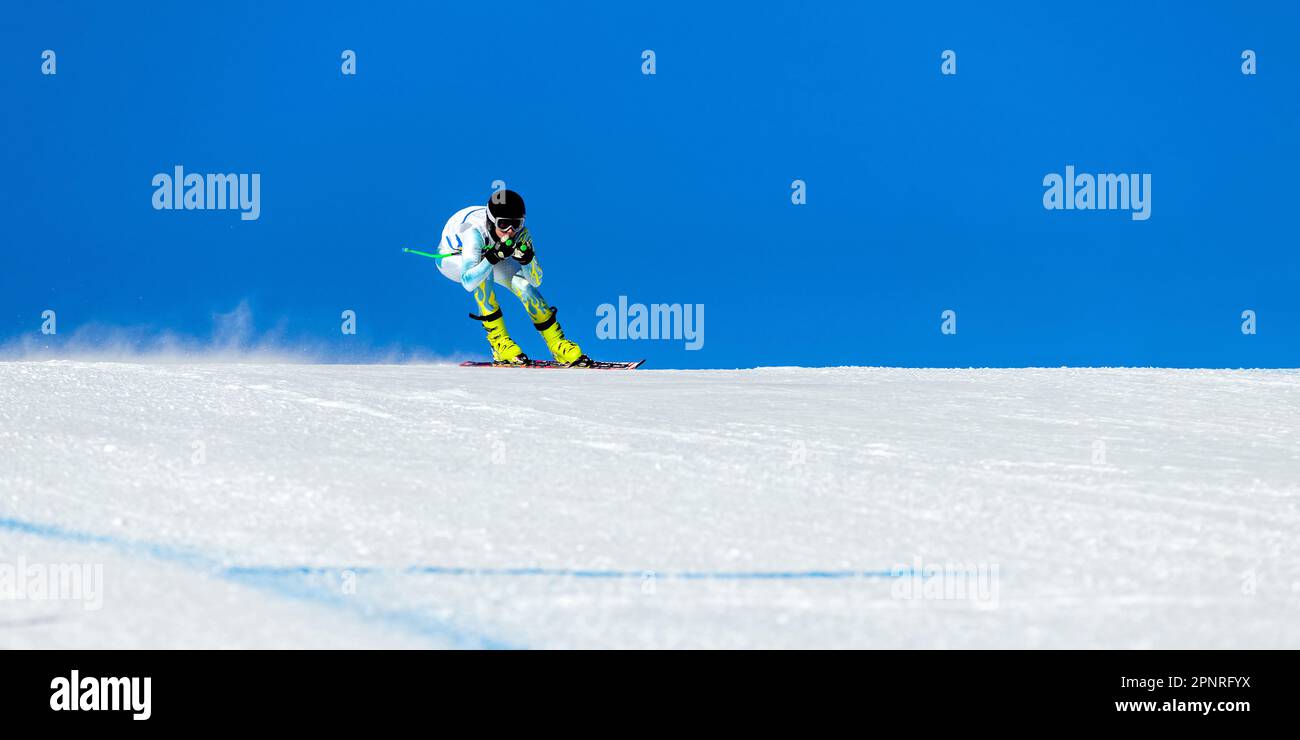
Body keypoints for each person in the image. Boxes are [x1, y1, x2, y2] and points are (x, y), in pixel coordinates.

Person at [436, 190, 588, 366]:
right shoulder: (474, 232)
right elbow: (468, 282)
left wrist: (527, 260)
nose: (510, 231)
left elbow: (535, 280)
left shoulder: (521, 234)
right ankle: (499, 343)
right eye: (503, 224)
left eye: (516, 224)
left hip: (490, 254)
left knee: (523, 285)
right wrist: (492, 258)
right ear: (491, 222)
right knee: (484, 276)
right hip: (453, 258)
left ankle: (557, 343)